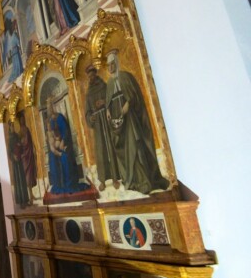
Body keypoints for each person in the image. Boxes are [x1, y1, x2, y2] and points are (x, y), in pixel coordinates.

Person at [105, 51, 170, 195]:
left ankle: (144, 180)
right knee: (124, 149)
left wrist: (128, 102)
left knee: (135, 145)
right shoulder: (109, 83)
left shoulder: (125, 77)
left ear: (116, 63)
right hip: (118, 119)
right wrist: (108, 111)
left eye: (112, 64)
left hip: (130, 118)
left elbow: (134, 95)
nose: (110, 68)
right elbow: (108, 101)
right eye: (108, 65)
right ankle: (132, 180)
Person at [84, 65, 120, 191]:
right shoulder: (88, 93)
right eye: (89, 76)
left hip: (106, 117)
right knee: (101, 151)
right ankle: (103, 180)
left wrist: (104, 102)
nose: (91, 78)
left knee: (111, 145)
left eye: (93, 75)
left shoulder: (103, 86)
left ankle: (115, 178)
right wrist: (90, 118)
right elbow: (87, 112)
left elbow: (111, 98)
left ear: (95, 74)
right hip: (98, 124)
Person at [46, 97, 89, 194]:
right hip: (56, 145)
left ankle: (69, 183)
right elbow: (51, 135)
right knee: (52, 159)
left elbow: (66, 132)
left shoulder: (60, 117)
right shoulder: (50, 122)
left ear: (53, 107)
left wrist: (62, 142)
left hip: (65, 144)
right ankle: (58, 184)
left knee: (65, 157)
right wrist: (55, 143)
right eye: (48, 107)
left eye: (50, 106)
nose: (49, 109)